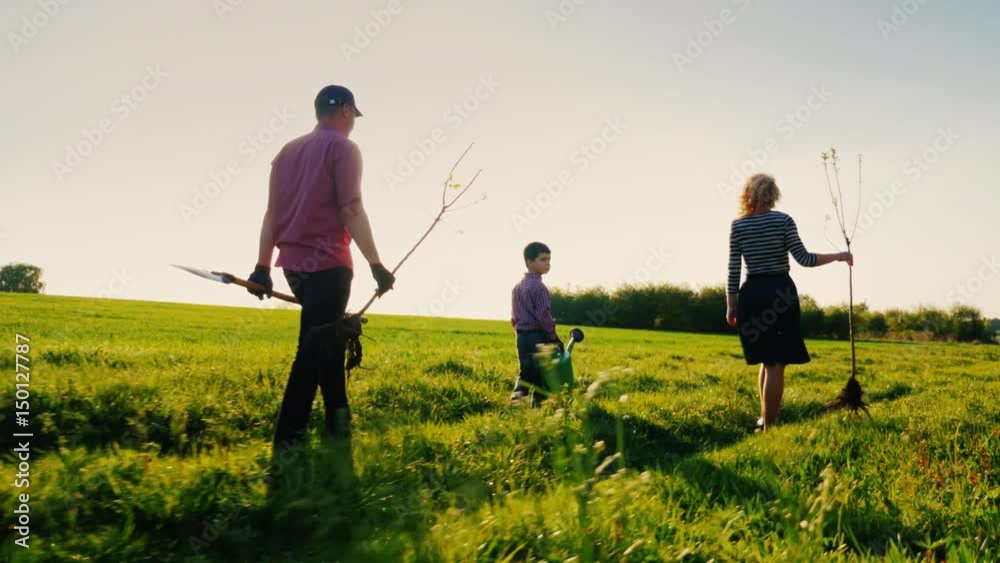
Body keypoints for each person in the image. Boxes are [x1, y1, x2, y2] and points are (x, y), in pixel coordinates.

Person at [247, 84, 396, 449]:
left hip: (292, 268)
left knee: (328, 344)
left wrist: (263, 267)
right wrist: (376, 264)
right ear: (345, 110)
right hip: (329, 266)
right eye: (353, 115)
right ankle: (288, 441)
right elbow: (351, 209)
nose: (353, 122)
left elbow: (271, 214)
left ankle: (338, 427)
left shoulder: (286, 152)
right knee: (312, 350)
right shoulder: (343, 148)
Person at [725, 173, 853, 431]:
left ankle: (764, 419)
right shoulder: (783, 221)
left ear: (748, 194)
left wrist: (730, 305)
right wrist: (838, 256)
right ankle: (770, 427)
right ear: (773, 194)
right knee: (776, 363)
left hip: (752, 294)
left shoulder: (738, 226)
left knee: (766, 360)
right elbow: (805, 259)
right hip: (779, 293)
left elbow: (733, 270)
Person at [510, 242, 564, 406]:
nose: (547, 264)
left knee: (525, 371)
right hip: (537, 337)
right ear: (529, 262)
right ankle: (538, 405)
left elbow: (513, 316)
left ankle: (516, 401)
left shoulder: (517, 287)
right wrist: (554, 338)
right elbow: (544, 316)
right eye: (543, 259)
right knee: (543, 372)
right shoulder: (540, 288)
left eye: (549, 259)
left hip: (521, 337)